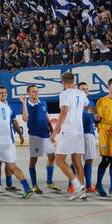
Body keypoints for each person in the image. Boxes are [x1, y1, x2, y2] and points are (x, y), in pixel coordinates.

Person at [51, 72, 88, 201]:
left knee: (59, 160)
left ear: (63, 82)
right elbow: (87, 106)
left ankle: (77, 187)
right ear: (73, 80)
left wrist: (55, 130)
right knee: (77, 162)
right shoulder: (82, 93)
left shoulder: (64, 94)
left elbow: (64, 111)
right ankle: (82, 192)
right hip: (79, 131)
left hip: (69, 130)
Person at [20, 85, 59, 194]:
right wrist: (23, 103)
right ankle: (34, 185)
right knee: (34, 160)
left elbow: (46, 117)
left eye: (37, 91)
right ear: (28, 93)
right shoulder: (26, 105)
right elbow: (25, 118)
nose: (35, 93)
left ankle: (49, 181)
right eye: (33, 91)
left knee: (52, 157)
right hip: (35, 137)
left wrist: (51, 130)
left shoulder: (43, 103)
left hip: (46, 135)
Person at [0, 86, 24, 192]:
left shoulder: (9, 106)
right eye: (1, 93)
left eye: (5, 92)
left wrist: (20, 133)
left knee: (9, 161)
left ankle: (9, 184)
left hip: (9, 139)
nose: (4, 94)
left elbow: (14, 121)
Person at [78, 82, 97, 193]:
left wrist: (97, 118)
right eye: (82, 89)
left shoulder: (91, 103)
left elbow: (95, 117)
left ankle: (89, 185)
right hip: (78, 134)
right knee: (76, 161)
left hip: (89, 133)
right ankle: (72, 185)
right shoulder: (75, 102)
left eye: (86, 89)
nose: (85, 90)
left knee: (89, 160)